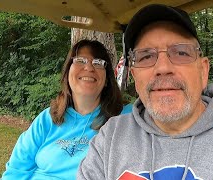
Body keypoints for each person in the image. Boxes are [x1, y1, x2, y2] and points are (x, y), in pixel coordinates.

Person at [77, 4, 213, 180]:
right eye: (146, 56)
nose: (163, 68)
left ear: (203, 71)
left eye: (180, 52)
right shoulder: (111, 136)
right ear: (134, 76)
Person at [1, 39, 127, 180]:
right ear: (67, 74)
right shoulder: (47, 119)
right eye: (80, 60)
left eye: (98, 63)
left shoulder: (125, 117)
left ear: (107, 80)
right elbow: (16, 171)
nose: (89, 68)